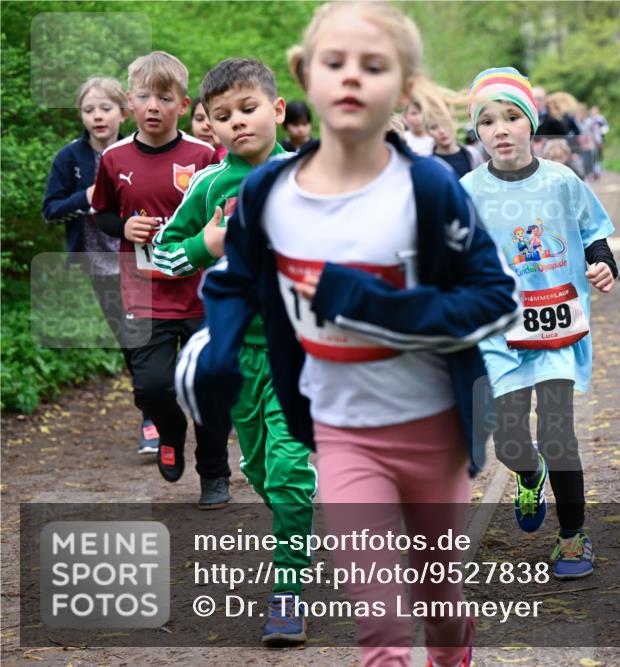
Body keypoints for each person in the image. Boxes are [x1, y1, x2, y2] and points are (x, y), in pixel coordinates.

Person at [173, 3, 520, 665]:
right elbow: (229, 279)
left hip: (435, 430)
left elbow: (493, 298)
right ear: (305, 75)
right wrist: (217, 350)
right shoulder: (269, 193)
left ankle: (454, 647)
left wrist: (373, 304)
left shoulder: (429, 187)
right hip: (340, 431)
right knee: (380, 622)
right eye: (335, 62)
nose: (352, 77)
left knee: (439, 600)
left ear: (405, 85)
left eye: (375, 64)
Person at [151, 58, 316, 646]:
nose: (237, 123)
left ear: (276, 110)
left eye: (248, 110)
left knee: (292, 470)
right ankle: (298, 524)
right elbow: (163, 257)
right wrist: (207, 241)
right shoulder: (210, 185)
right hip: (236, 356)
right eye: (222, 117)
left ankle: (288, 591)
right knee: (260, 469)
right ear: (209, 127)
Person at [460, 67, 617, 580]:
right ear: (477, 133)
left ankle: (572, 538)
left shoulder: (561, 180)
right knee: (509, 441)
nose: (499, 129)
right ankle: (530, 476)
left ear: (531, 124)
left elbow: (593, 230)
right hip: (498, 331)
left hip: (556, 324)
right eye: (487, 122)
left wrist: (602, 263)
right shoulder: (466, 190)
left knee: (557, 433)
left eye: (510, 117)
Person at [91, 51, 230, 507]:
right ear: (129, 102)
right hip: (143, 293)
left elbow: (226, 209)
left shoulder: (204, 155)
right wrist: (122, 228)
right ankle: (169, 432)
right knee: (151, 385)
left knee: (210, 387)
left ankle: (214, 473)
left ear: (184, 105)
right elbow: (103, 214)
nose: (154, 105)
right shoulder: (113, 158)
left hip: (202, 295)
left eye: (165, 97)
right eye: (144, 96)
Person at [42, 76, 159, 455]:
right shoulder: (69, 159)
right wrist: (85, 196)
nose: (97, 116)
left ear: (123, 112)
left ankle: (171, 402)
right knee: (130, 341)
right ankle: (151, 418)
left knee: (155, 335)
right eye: (89, 109)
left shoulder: (141, 151)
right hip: (101, 267)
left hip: (146, 260)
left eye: (105, 108)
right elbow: (50, 211)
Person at [426, 107, 483, 178]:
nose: (441, 131)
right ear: (427, 132)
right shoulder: (427, 162)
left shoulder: (473, 155)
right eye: (434, 127)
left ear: (455, 123)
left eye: (445, 124)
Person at [190, 96, 227, 161]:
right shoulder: (183, 156)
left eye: (214, 119)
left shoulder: (233, 161)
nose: (205, 127)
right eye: (199, 119)